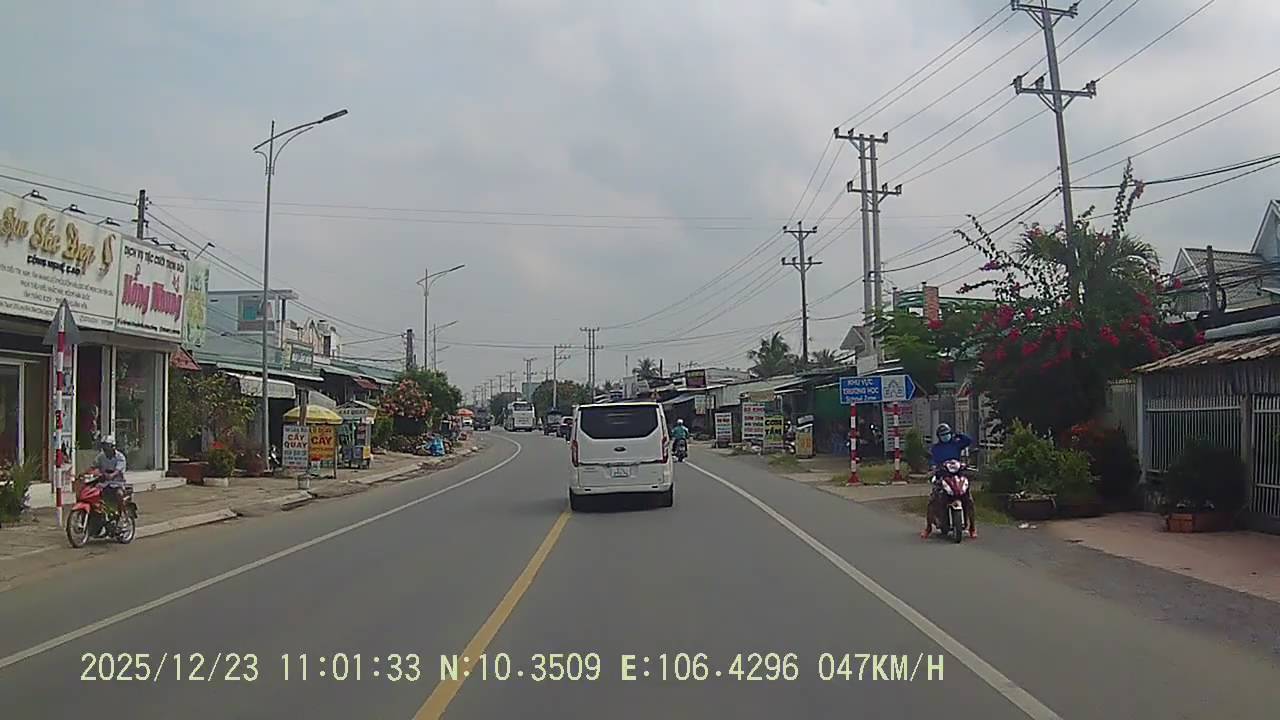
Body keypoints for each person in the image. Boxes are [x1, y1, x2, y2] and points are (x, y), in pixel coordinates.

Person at [922, 423, 976, 539]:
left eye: (947, 434)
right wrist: (934, 467)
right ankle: (928, 528)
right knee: (932, 501)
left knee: (969, 500)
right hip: (942, 476)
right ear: (939, 436)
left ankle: (972, 528)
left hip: (957, 476)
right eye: (942, 435)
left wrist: (959, 435)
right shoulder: (936, 448)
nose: (945, 436)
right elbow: (933, 461)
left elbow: (968, 441)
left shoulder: (956, 444)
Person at [90, 434, 128, 517]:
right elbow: (94, 466)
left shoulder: (120, 457)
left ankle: (122, 514)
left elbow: (117, 471)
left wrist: (111, 475)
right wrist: (90, 473)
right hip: (103, 483)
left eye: (107, 446)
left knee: (119, 494)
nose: (105, 449)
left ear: (113, 446)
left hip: (117, 483)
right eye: (104, 446)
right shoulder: (101, 456)